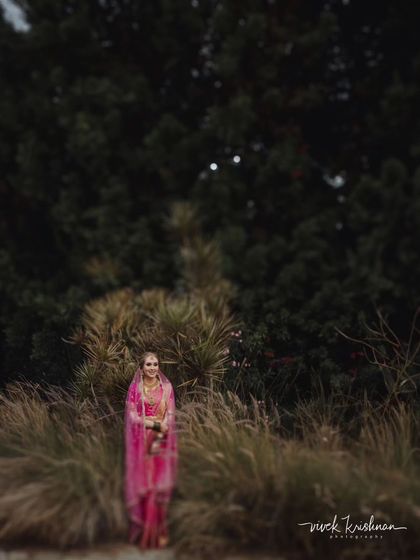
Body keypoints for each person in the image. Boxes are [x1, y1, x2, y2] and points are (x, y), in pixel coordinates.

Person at [124, 351, 178, 549]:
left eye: (155, 364)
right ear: (141, 368)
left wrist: (163, 427)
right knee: (145, 485)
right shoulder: (135, 390)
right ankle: (146, 533)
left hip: (161, 441)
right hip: (142, 443)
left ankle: (158, 532)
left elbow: (170, 414)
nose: (153, 368)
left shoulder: (167, 388)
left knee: (157, 485)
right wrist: (155, 425)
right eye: (149, 364)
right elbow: (132, 417)